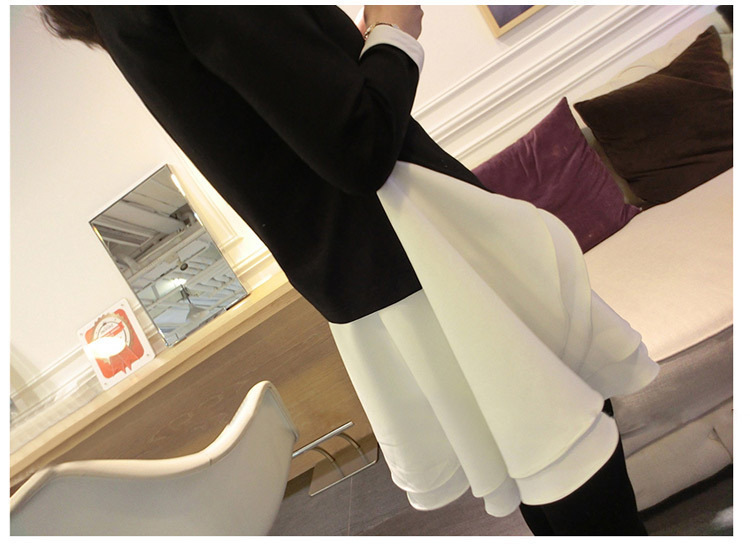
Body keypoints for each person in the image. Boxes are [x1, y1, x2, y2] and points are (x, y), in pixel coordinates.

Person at [39, 5, 658, 535]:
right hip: (421, 251)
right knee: (568, 454)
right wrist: (394, 31)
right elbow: (357, 147)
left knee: (545, 461)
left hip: (384, 266)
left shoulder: (124, 17)